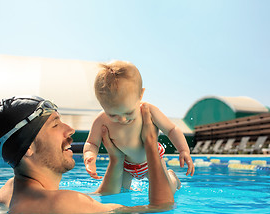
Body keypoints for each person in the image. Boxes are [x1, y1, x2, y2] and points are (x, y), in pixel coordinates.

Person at [0, 96, 175, 214]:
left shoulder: (7, 192)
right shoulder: (65, 203)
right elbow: (161, 208)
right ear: (28, 148)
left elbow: (99, 197)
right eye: (55, 125)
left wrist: (116, 159)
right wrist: (150, 142)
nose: (70, 130)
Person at [83, 60, 194, 192]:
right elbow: (92, 143)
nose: (122, 119)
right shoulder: (101, 120)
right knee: (118, 192)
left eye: (128, 112)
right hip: (125, 166)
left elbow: (171, 129)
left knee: (167, 190)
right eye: (113, 115)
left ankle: (172, 178)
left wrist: (183, 150)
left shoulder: (148, 110)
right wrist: (89, 156)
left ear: (140, 95)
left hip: (151, 162)